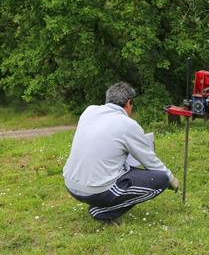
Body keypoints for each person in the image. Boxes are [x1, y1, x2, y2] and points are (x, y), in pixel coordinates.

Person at [63, 82, 179, 222]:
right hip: (95, 190)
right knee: (161, 179)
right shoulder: (127, 124)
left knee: (126, 168)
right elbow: (150, 161)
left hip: (70, 183)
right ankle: (102, 211)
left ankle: (100, 202)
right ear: (129, 103)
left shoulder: (89, 111)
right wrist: (171, 179)